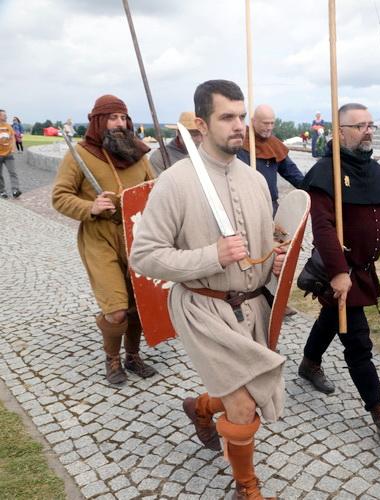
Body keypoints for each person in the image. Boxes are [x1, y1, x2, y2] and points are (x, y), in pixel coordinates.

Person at [129, 79, 287, 499]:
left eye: (242, 116)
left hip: (251, 306)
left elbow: (263, 245)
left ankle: (200, 408)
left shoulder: (255, 180)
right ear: (201, 124)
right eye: (227, 117)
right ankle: (246, 488)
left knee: (252, 388)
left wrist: (274, 259)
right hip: (202, 307)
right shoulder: (175, 182)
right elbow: (144, 256)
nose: (239, 126)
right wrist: (211, 256)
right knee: (243, 406)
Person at [298, 102, 380, 441]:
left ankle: (309, 363)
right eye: (360, 126)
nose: (368, 131)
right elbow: (323, 228)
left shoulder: (375, 171)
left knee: (330, 318)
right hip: (339, 270)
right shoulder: (326, 173)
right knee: (357, 342)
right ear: (340, 132)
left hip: (362, 271)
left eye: (371, 125)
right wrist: (339, 273)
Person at [51, 95, 157, 385]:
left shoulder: (138, 154)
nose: (119, 123)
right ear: (99, 121)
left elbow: (153, 190)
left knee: (137, 304)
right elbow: (59, 197)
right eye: (112, 118)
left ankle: (132, 355)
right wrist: (91, 207)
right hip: (100, 238)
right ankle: (112, 358)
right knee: (116, 309)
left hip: (136, 237)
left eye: (123, 117)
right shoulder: (80, 155)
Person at [237, 104, 304, 214]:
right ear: (253, 121)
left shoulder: (274, 144)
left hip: (270, 206)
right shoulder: (240, 142)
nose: (269, 127)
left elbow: (291, 172)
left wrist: (310, 189)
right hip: (246, 205)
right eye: (265, 123)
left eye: (272, 123)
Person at [149, 111, 203, 175]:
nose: (200, 139)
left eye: (202, 134)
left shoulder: (206, 151)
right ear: (179, 133)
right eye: (194, 135)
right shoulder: (159, 157)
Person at [0, 110, 21, 199]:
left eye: (6, 115)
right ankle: (2, 191)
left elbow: (12, 137)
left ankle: (15, 190)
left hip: (8, 154)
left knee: (13, 172)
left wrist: (13, 148)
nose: (6, 116)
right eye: (4, 115)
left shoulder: (9, 126)